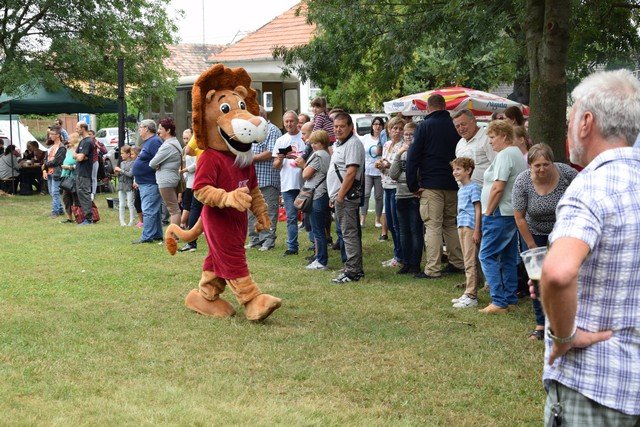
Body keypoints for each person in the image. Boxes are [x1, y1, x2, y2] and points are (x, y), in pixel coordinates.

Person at [540, 69, 640, 425]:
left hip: (596, 383)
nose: (568, 129)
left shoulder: (591, 186)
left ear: (586, 123)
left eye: (570, 119)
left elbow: (557, 272)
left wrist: (563, 336)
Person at [512, 143, 577, 339]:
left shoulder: (567, 174)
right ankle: (541, 324)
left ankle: (566, 320)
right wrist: (532, 246)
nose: (542, 169)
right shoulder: (522, 181)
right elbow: (519, 217)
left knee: (564, 276)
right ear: (530, 165)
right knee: (538, 278)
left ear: (553, 162)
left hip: (563, 230)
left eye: (546, 164)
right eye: (537, 165)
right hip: (534, 232)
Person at [406, 94, 464, 279]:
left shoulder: (424, 127)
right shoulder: (454, 126)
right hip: (453, 183)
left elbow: (412, 156)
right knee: (450, 224)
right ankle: (458, 262)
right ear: (444, 106)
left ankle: (433, 268)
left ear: (428, 108)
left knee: (432, 226)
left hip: (431, 184)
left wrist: (412, 185)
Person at [477, 120, 527, 313]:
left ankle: (498, 301)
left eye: (492, 137)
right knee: (507, 256)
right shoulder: (516, 153)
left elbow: (498, 187)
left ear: (504, 136)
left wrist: (488, 212)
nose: (490, 142)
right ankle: (510, 297)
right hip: (510, 212)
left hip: (499, 212)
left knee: (486, 255)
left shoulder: (505, 155)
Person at [327, 112, 365, 283]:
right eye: (336, 126)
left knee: (349, 233)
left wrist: (340, 196)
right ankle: (352, 267)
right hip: (340, 196)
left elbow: (351, 172)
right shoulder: (341, 143)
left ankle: (353, 271)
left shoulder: (353, 144)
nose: (338, 129)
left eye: (342, 126)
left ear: (351, 127)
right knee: (346, 233)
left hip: (347, 197)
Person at [245, 107, 282, 251]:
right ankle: (255, 239)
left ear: (262, 115)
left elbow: (271, 152)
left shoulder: (272, 130)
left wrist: (251, 158)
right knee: (252, 211)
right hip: (252, 180)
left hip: (268, 179)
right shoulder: (251, 130)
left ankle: (268, 240)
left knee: (268, 211)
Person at [389, 121, 422, 275]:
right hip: (400, 194)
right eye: (406, 134)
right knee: (403, 230)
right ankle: (406, 262)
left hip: (413, 195)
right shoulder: (401, 151)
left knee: (415, 230)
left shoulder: (420, 150)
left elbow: (417, 174)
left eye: (411, 134)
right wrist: (398, 154)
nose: (408, 137)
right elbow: (393, 174)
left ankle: (415, 263)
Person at [449, 157, 482, 308]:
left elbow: (478, 208)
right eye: (454, 169)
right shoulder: (461, 189)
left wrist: (477, 230)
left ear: (468, 171)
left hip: (470, 227)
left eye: (458, 169)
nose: (455, 172)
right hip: (461, 225)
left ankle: (471, 295)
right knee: (467, 259)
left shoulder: (473, 188)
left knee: (470, 261)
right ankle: (468, 292)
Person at [272, 110, 305, 256]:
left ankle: (314, 244)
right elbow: (275, 165)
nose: (289, 124)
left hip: (304, 183)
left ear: (297, 122)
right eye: (286, 121)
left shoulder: (304, 138)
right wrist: (280, 158)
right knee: (291, 217)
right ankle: (292, 247)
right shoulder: (281, 140)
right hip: (287, 184)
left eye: (291, 121)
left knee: (309, 216)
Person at [376, 116, 405, 268]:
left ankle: (401, 256)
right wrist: (380, 164)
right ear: (389, 130)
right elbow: (384, 163)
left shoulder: (403, 146)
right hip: (386, 185)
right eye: (395, 128)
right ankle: (397, 255)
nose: (398, 131)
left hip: (396, 187)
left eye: (400, 129)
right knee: (391, 223)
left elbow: (398, 167)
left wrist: (388, 166)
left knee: (396, 223)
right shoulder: (386, 144)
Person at [302, 130, 331, 270]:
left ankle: (321, 260)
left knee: (317, 230)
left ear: (323, 143)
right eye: (312, 142)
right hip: (323, 194)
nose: (313, 145)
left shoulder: (319, 155)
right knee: (320, 229)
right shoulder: (327, 154)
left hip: (317, 195)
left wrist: (303, 165)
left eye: (316, 142)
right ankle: (319, 258)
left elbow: (305, 174)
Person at [132, 119, 163, 243]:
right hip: (145, 182)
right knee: (154, 209)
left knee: (148, 209)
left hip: (150, 182)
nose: (139, 130)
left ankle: (147, 236)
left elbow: (159, 159)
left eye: (140, 127)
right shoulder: (149, 142)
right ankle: (157, 234)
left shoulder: (154, 141)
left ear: (147, 129)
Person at [149, 117, 183, 226]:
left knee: (173, 209)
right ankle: (174, 233)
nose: (158, 131)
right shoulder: (175, 142)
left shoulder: (167, 146)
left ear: (168, 130)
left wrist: (158, 165)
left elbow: (152, 163)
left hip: (166, 180)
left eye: (160, 129)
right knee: (174, 208)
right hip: (172, 178)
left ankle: (173, 234)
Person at [178, 129, 204, 252]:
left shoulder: (199, 136)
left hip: (202, 177)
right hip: (214, 177)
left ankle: (191, 242)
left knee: (195, 208)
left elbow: (188, 151)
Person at [453, 109, 496, 186]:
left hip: (484, 190)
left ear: (473, 121)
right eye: (457, 126)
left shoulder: (488, 139)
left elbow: (498, 167)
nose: (461, 129)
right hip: (464, 190)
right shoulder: (460, 143)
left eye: (463, 124)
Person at [360, 116, 384, 230]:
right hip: (367, 171)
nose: (377, 126)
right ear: (372, 126)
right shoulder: (365, 137)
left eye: (379, 124)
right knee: (365, 195)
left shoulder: (384, 138)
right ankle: (362, 219)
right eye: (375, 124)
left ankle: (377, 220)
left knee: (379, 197)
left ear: (383, 126)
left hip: (380, 172)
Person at [73, 122, 94, 225]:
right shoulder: (82, 141)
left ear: (83, 128)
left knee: (85, 195)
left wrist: (81, 156)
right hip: (79, 172)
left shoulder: (88, 141)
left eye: (77, 128)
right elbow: (74, 155)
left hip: (85, 173)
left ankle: (89, 219)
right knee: (80, 195)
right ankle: (84, 217)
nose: (76, 129)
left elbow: (81, 158)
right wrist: (79, 156)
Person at [43, 126, 67, 218]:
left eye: (52, 134)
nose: (50, 136)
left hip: (56, 172)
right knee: (51, 192)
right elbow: (45, 159)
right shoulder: (50, 147)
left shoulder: (62, 148)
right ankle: (60, 210)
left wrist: (45, 164)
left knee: (55, 192)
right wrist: (44, 170)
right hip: (49, 172)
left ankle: (55, 212)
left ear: (58, 135)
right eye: (50, 134)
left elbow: (57, 161)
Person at [114, 145, 137, 226]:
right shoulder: (122, 163)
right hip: (121, 186)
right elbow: (121, 175)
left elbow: (130, 174)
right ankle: (122, 221)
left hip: (129, 186)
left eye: (122, 153)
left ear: (128, 154)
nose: (121, 155)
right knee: (121, 204)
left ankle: (131, 220)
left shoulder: (133, 163)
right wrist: (117, 172)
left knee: (130, 204)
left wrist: (120, 170)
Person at [60, 133, 80, 224]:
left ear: (75, 139)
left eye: (70, 138)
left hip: (74, 177)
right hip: (66, 176)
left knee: (75, 198)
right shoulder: (68, 150)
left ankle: (78, 216)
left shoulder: (78, 151)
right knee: (66, 198)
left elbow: (79, 164)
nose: (68, 140)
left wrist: (69, 167)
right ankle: (69, 217)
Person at [89, 129, 107, 200]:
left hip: (94, 161)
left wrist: (98, 146)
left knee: (93, 177)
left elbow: (105, 151)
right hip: (87, 162)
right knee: (87, 177)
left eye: (90, 134)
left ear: (94, 135)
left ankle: (93, 193)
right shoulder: (86, 142)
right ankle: (88, 192)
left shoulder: (97, 142)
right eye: (88, 134)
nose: (89, 136)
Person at [130, 146, 144, 228]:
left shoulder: (141, 163)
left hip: (141, 185)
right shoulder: (135, 163)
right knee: (137, 203)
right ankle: (141, 221)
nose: (131, 156)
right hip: (136, 186)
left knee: (142, 203)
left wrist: (138, 183)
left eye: (132, 154)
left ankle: (144, 221)